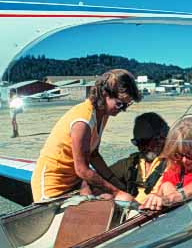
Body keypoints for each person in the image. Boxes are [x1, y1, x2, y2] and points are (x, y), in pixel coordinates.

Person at [31, 69, 142, 202]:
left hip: (74, 181)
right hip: (53, 186)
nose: (122, 109)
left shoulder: (103, 114)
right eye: (119, 104)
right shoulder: (83, 120)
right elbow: (82, 169)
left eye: (126, 105)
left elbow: (93, 154)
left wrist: (116, 183)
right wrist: (117, 192)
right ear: (104, 93)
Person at [108, 112, 169, 204]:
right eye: (137, 143)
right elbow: (100, 178)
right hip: (134, 214)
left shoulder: (174, 162)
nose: (141, 147)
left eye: (145, 142)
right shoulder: (132, 163)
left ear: (160, 139)